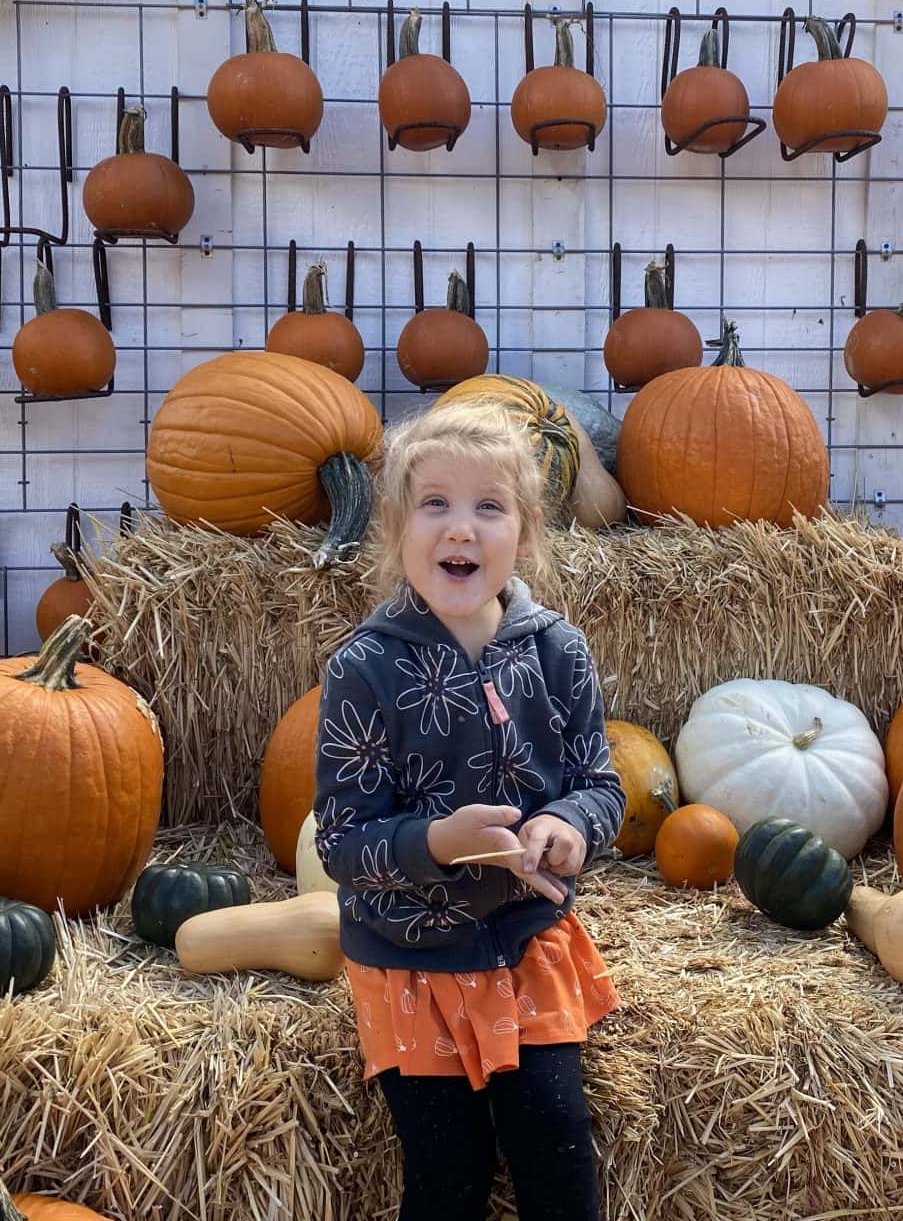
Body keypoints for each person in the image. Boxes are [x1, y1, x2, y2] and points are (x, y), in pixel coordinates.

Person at [311, 399, 627, 1221]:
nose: (461, 528)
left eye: (489, 507)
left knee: (556, 1146)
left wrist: (570, 826)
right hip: (409, 956)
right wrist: (437, 841)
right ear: (394, 528)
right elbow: (344, 842)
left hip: (526, 942)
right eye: (435, 504)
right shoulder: (364, 669)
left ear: (524, 535)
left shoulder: (558, 651)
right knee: (446, 1169)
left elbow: (601, 783)